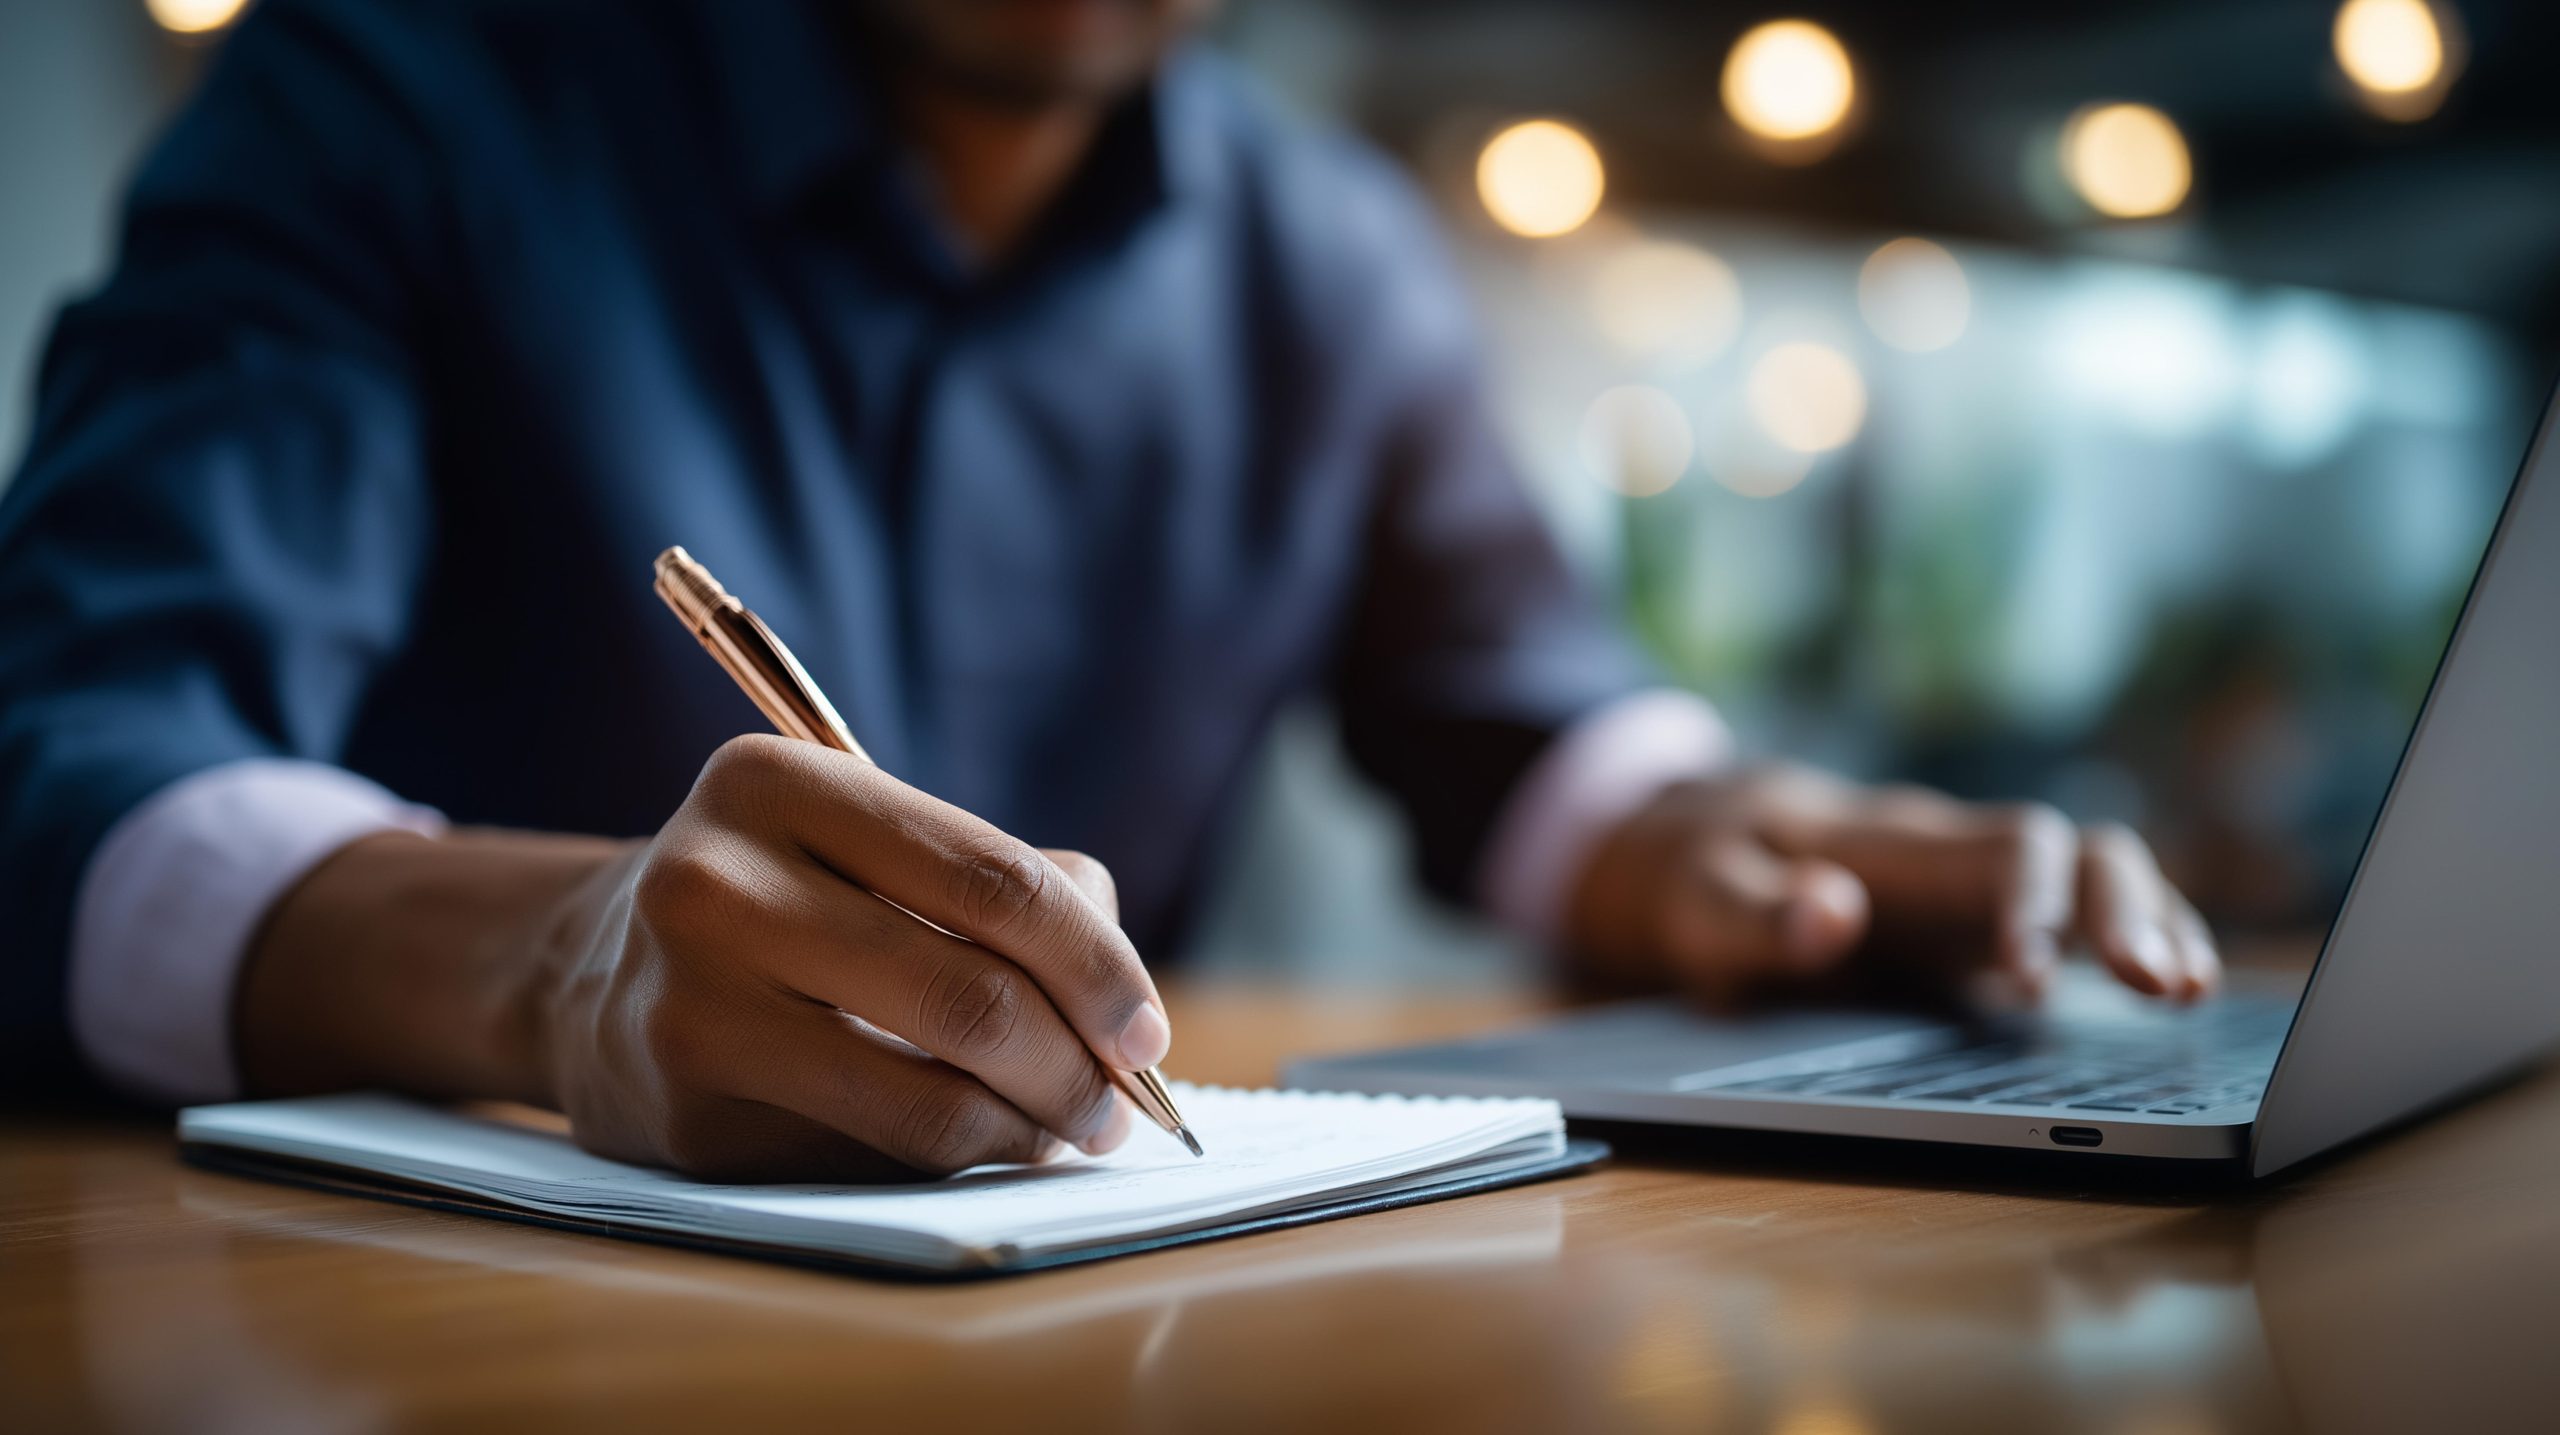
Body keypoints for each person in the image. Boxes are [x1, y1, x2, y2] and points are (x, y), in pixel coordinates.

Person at [0, 0, 2217, 1180]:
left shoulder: (1324, 253)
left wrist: (1722, 830)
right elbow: (68, 773)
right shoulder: (387, 86)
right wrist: (547, 975)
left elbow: (1519, 716)